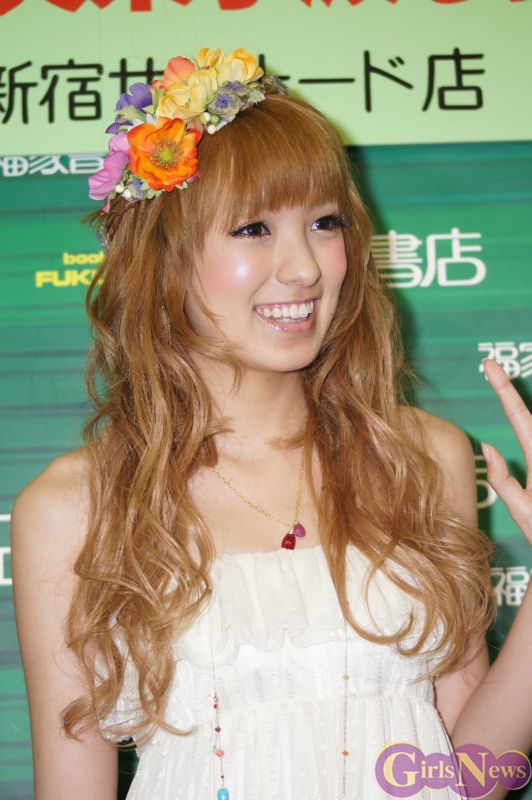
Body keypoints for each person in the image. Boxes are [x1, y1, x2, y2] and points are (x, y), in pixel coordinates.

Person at [9, 46, 532, 800]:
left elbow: (475, 780)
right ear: (164, 256)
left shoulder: (420, 457)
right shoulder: (75, 507)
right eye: (253, 228)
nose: (305, 268)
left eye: (324, 222)